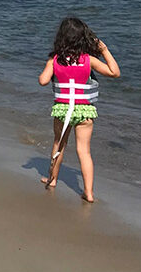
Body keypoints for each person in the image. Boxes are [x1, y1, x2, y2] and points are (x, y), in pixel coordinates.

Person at [37, 17, 121, 202]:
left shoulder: (55, 60)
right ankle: (89, 193)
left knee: (59, 144)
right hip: (84, 112)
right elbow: (115, 72)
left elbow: (43, 81)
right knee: (84, 151)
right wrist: (104, 50)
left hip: (62, 111)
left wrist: (50, 67)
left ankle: (52, 180)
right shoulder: (89, 60)